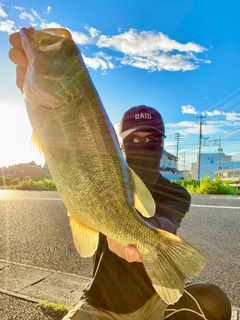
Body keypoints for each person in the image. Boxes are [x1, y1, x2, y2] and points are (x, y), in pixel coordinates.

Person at [9, 28, 232, 320]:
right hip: (100, 305)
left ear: (164, 143)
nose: (144, 146)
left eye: (152, 140)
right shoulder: (98, 158)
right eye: (134, 140)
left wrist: (134, 235)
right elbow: (62, 149)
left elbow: (162, 221)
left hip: (155, 300)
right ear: (120, 144)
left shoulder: (177, 193)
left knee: (213, 301)